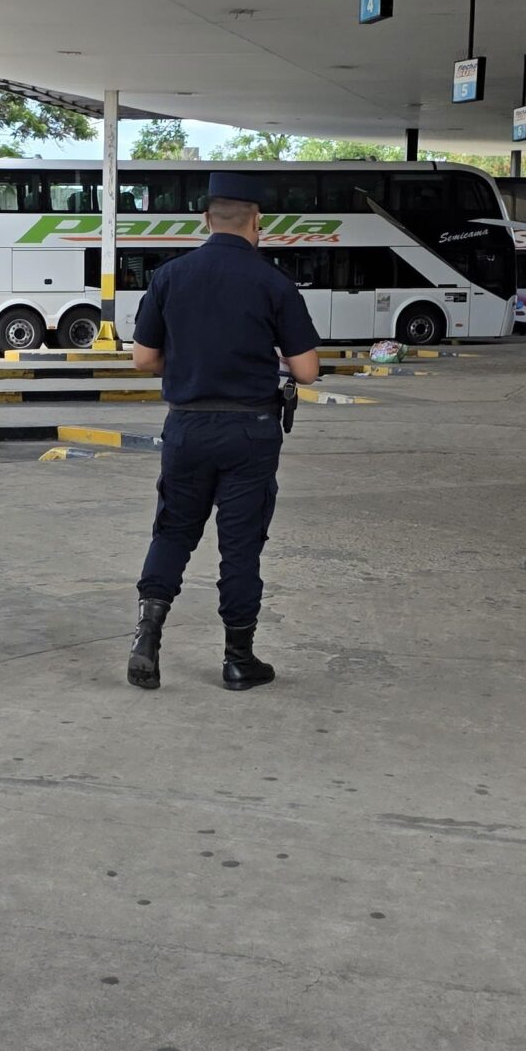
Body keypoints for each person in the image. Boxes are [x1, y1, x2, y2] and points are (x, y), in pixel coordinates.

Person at [126, 172, 323, 690]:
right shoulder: (274, 282)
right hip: (250, 431)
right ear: (258, 222)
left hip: (187, 427)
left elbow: (143, 358)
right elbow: (306, 370)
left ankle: (147, 635)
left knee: (173, 530)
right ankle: (239, 660)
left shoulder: (170, 276)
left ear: (205, 219)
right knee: (240, 546)